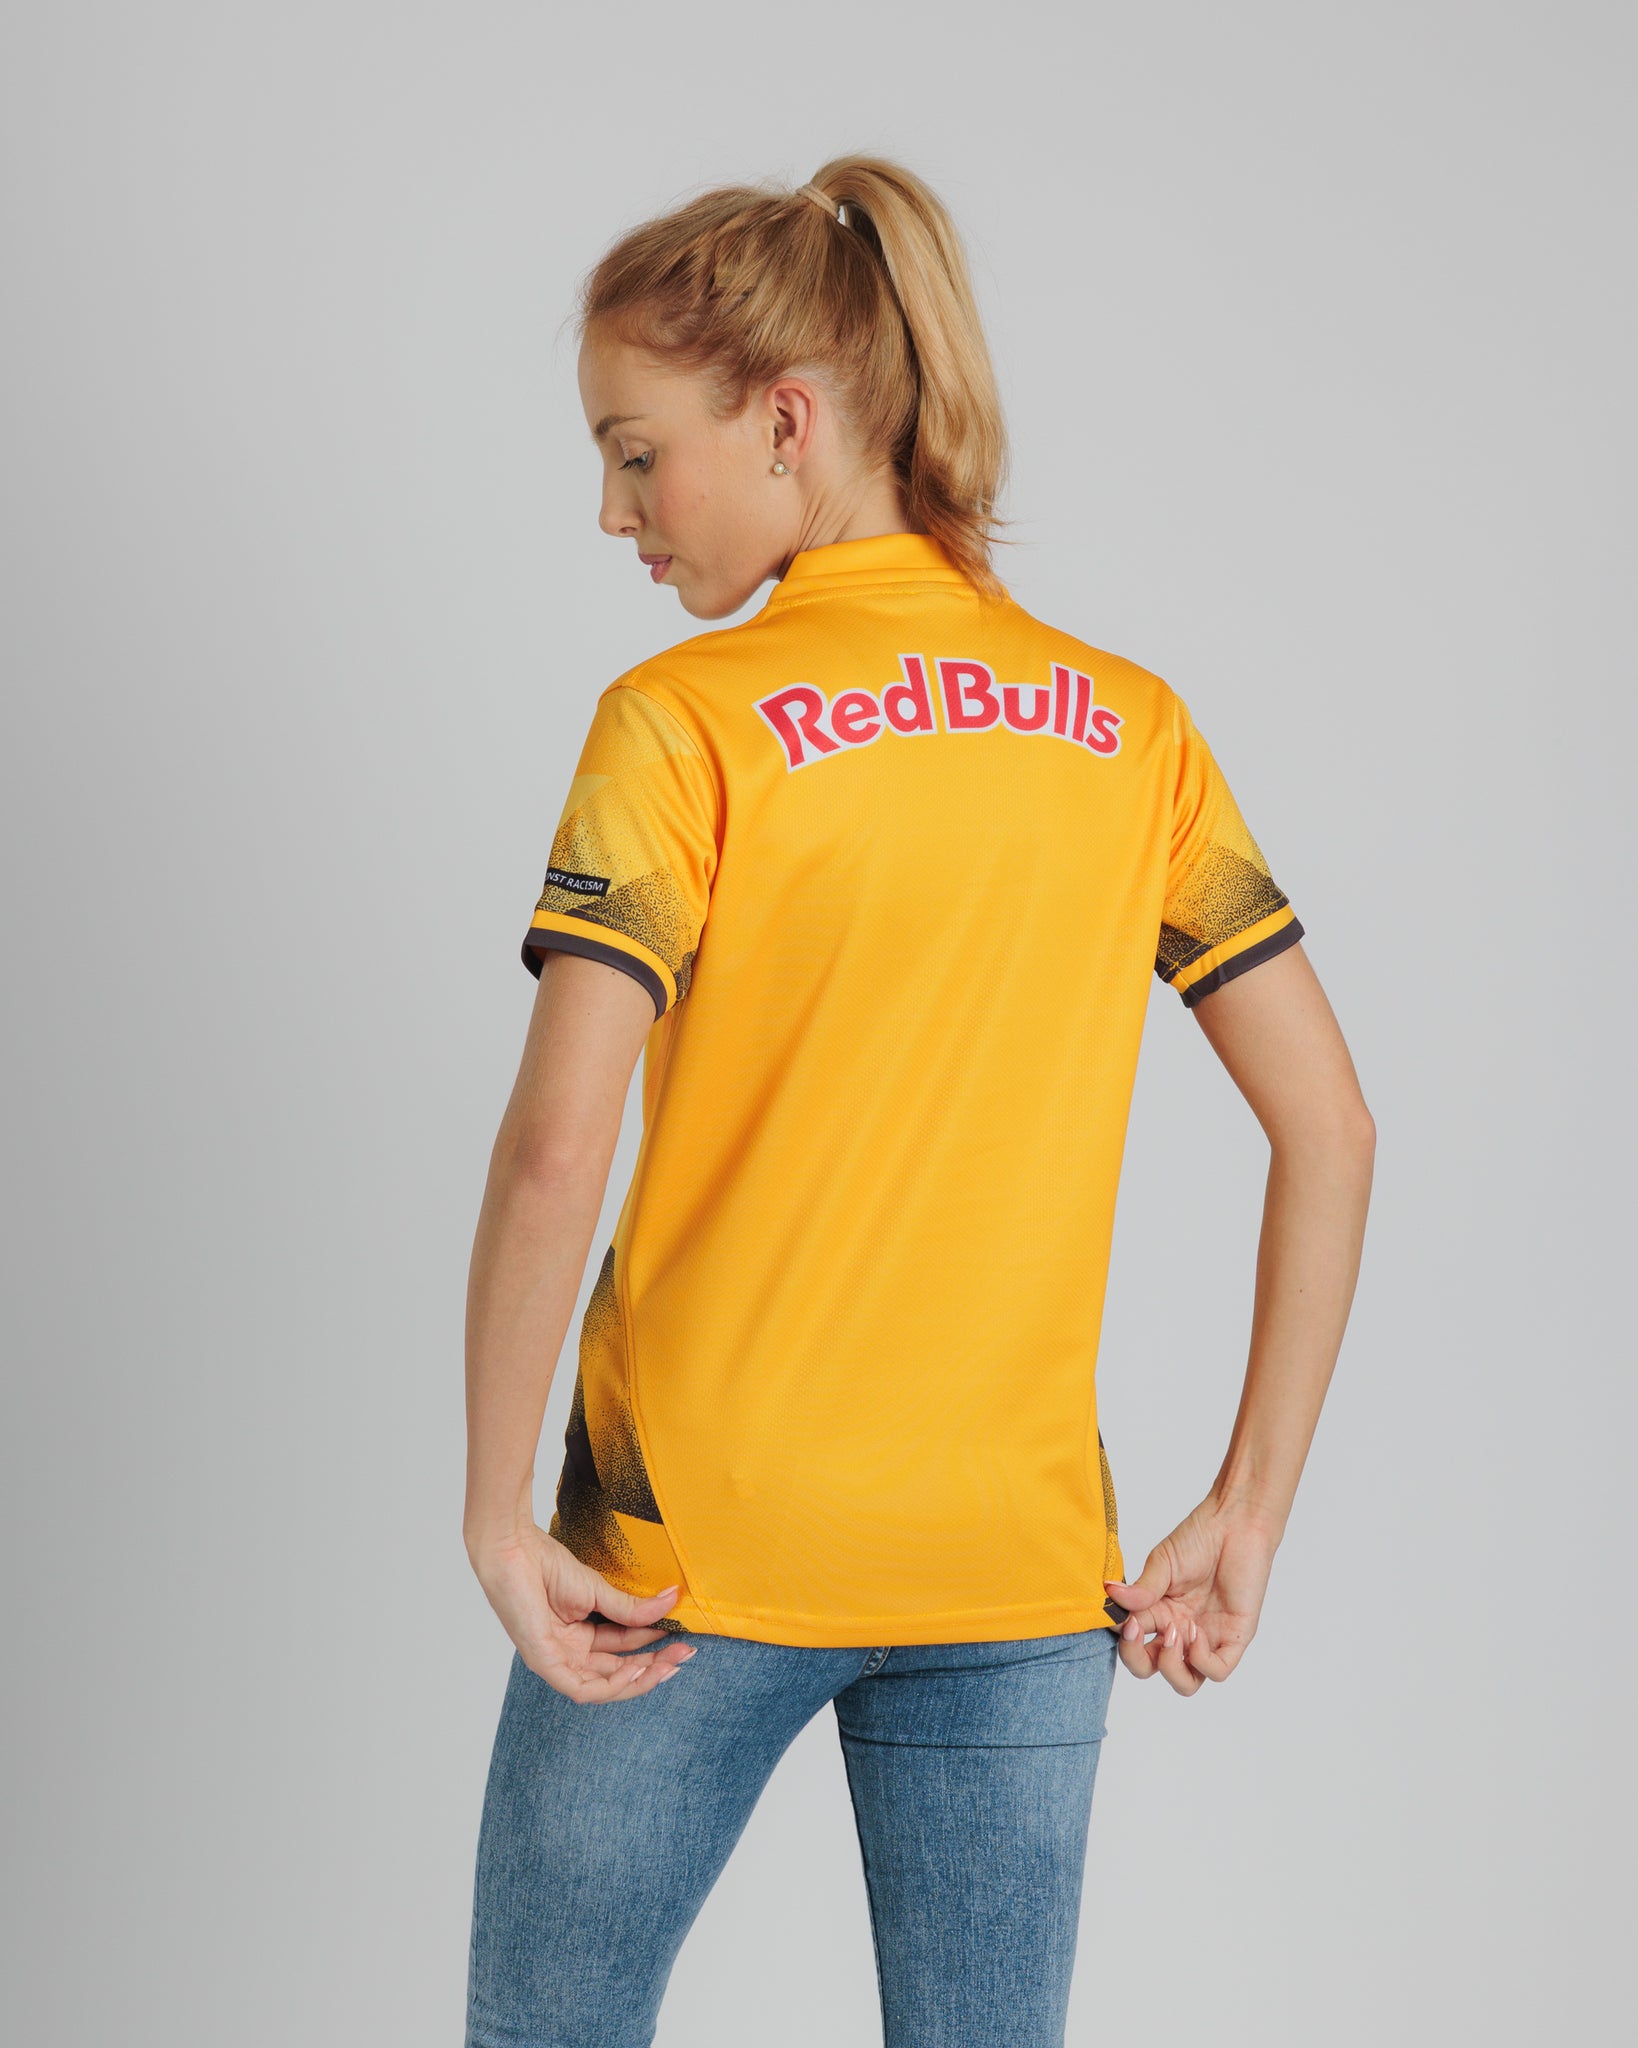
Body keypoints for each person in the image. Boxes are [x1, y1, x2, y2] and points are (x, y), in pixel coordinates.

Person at [461, 156, 1375, 2048]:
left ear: (784, 420)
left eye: (636, 454)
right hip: (1016, 1561)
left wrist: (491, 1509)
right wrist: (1248, 1507)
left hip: (679, 1558)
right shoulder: (1130, 729)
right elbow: (1332, 1127)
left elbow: (556, 1145)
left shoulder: (681, 721)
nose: (615, 510)